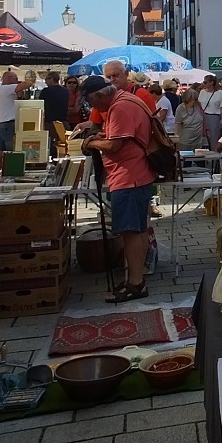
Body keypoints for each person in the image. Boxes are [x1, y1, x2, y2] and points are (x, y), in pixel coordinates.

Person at [79, 76, 155, 303]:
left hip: (128, 175)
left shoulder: (120, 106)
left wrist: (91, 142)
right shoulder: (127, 99)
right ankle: (136, 279)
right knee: (138, 230)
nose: (95, 109)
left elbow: (115, 145)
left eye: (94, 103)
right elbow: (120, 138)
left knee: (131, 232)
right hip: (135, 174)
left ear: (101, 96)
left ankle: (135, 283)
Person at [0, 71, 29, 176]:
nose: (16, 80)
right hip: (8, 124)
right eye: (15, 78)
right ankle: (9, 175)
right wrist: (23, 82)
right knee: (11, 153)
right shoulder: (6, 88)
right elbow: (28, 84)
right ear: (8, 78)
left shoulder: (0, 89)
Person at [39, 72, 70, 158]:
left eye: (47, 79)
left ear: (52, 79)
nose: (45, 82)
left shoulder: (46, 91)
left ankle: (52, 161)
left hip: (50, 122)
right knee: (64, 144)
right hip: (63, 121)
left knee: (50, 145)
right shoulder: (66, 91)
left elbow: (40, 105)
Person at [199, 75, 222, 151]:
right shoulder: (202, 92)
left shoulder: (219, 93)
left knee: (214, 138)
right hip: (203, 116)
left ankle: (214, 157)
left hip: (214, 116)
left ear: (211, 83)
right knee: (204, 138)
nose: (203, 84)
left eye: (205, 82)